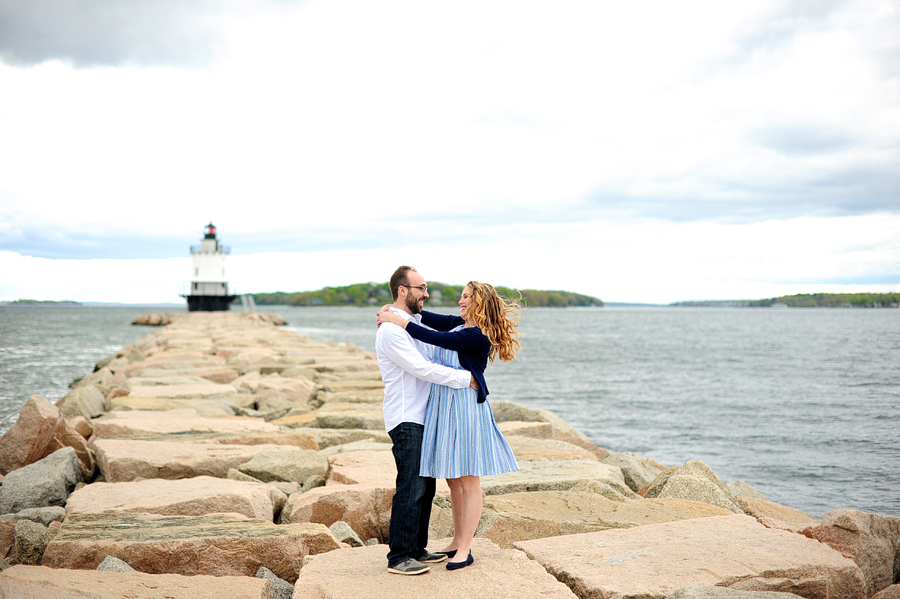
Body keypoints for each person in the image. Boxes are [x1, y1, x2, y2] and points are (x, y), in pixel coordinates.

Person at [377, 281, 521, 571]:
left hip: (465, 407)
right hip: (445, 407)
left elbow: (432, 337)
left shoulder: (477, 336)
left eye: (466, 297)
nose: (460, 301)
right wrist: (394, 309)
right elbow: (424, 316)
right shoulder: (459, 323)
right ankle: (456, 540)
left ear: (479, 301)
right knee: (453, 480)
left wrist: (397, 320)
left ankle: (465, 548)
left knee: (468, 481)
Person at [375, 266, 480, 576]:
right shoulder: (392, 331)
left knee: (427, 486)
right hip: (406, 416)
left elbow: (446, 332)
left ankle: (417, 547)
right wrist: (467, 379)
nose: (427, 293)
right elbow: (422, 368)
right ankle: (399, 556)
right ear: (403, 290)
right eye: (421, 288)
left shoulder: (411, 322)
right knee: (411, 486)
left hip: (425, 415)